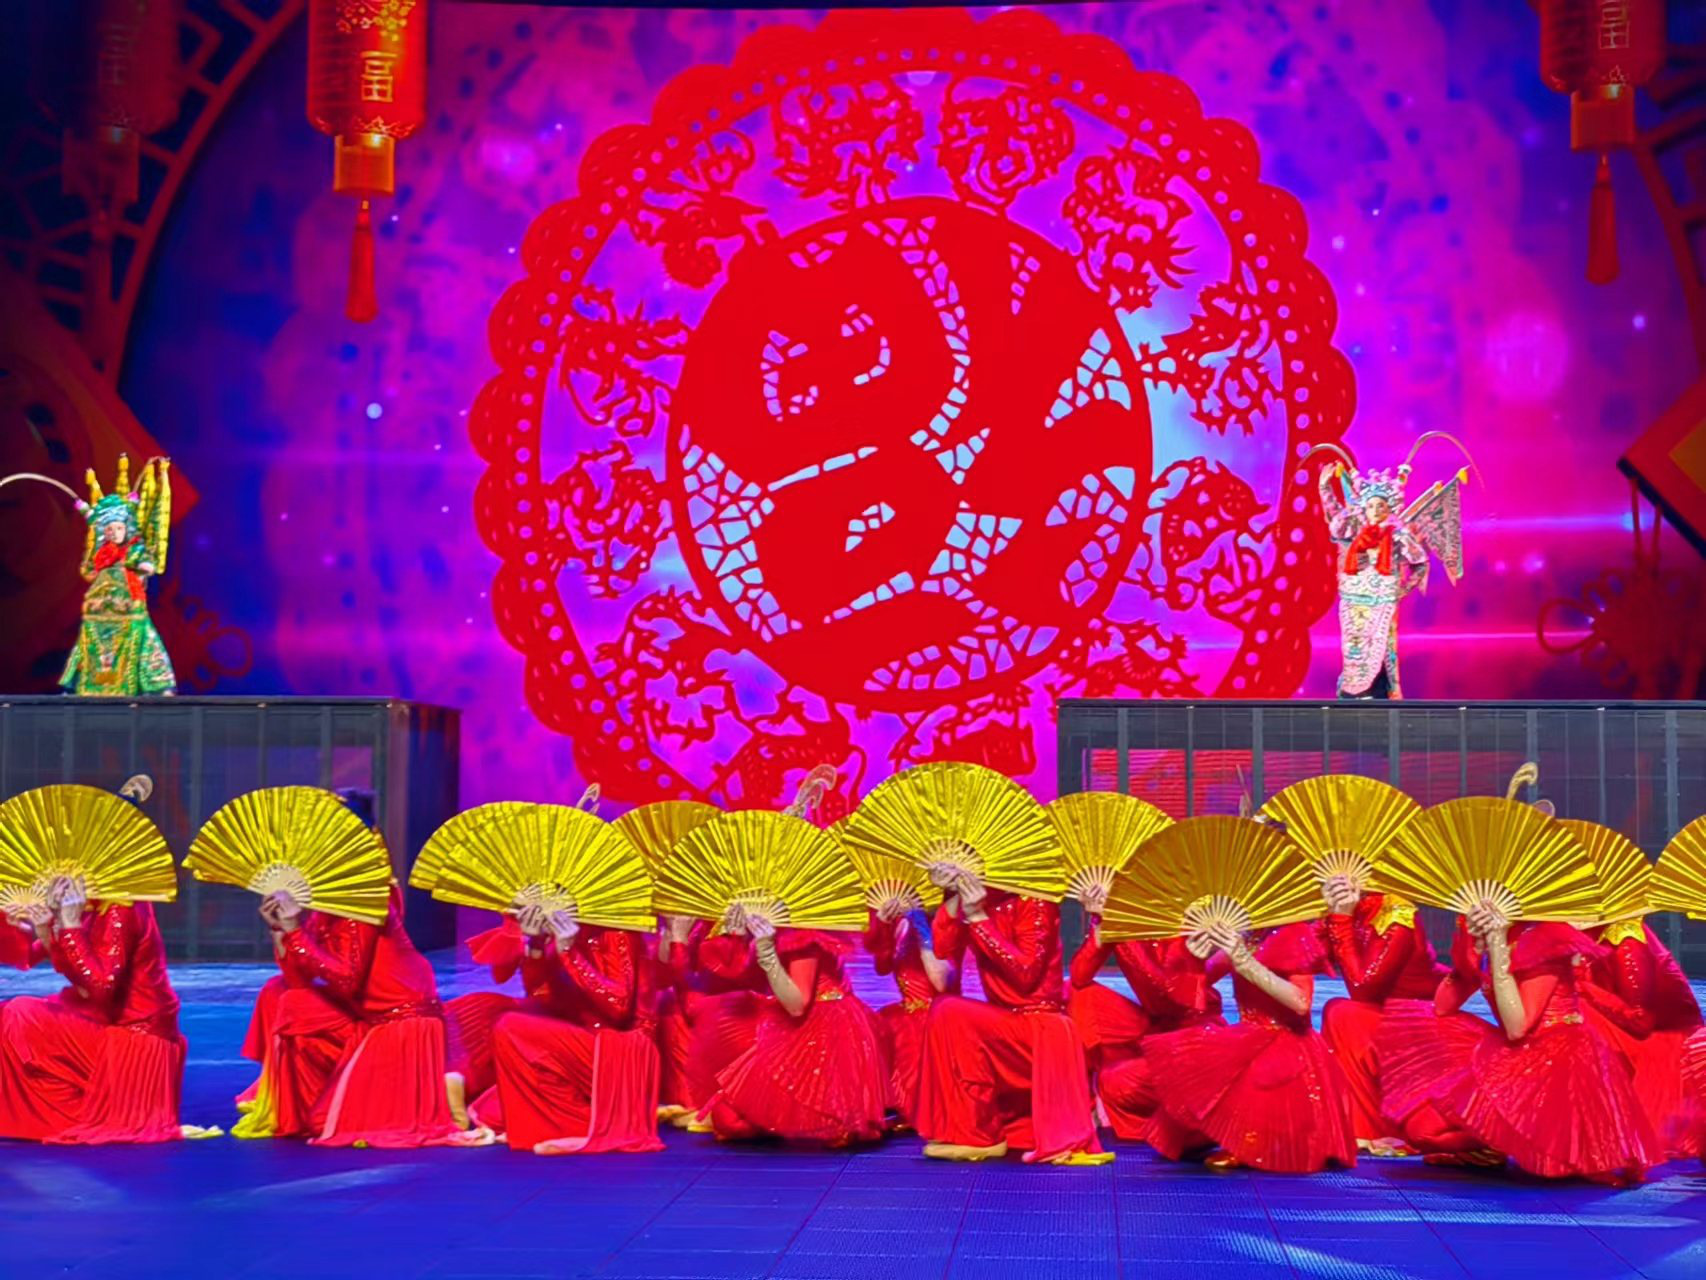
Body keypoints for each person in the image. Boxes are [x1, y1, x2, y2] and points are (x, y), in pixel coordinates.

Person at [1380, 906, 1662, 1184]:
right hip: (1512, 1055)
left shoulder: (1546, 938)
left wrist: (1498, 949)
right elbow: (1442, 1007)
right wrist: (1474, 952)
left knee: (1546, 1165)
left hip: (1557, 1065)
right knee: (1421, 1132)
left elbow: (1517, 1027)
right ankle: (1492, 1144)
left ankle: (1501, 1141)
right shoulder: (1493, 934)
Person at [233, 881, 467, 1148]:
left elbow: (347, 979)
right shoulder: (323, 912)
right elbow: (298, 980)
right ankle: (301, 1096)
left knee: (325, 1124)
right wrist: (280, 929)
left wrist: (295, 932)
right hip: (364, 1017)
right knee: (280, 993)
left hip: (400, 1020)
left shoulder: (364, 904)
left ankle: (439, 1086)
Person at [913, 868, 1110, 1165]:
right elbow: (942, 948)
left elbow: (1025, 974)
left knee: (950, 1012)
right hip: (1007, 1023)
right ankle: (973, 1131)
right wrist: (955, 897)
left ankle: (978, 1137)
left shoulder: (1035, 900)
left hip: (1042, 1028)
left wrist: (978, 917)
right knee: (947, 1011)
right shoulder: (981, 895)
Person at [0, 875, 204, 1143]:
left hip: (136, 1037)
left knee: (21, 1013)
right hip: (106, 1020)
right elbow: (50, 966)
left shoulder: (123, 908)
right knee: (10, 1014)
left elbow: (100, 987)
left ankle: (79, 1114)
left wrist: (69, 926)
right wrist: (38, 926)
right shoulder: (92, 904)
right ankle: (48, 1114)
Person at [1143, 920, 1355, 1172]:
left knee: (1258, 1077)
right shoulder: (1249, 935)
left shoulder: (1294, 934)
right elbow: (1197, 984)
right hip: (1247, 1035)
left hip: (1286, 1042)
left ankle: (1249, 1144)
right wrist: (1193, 956)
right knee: (1184, 1114)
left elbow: (1301, 1003)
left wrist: (1246, 963)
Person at [484, 904, 663, 1154]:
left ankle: (590, 1126)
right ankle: (578, 1123)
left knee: (510, 1027)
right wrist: (536, 944)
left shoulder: (616, 932)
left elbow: (619, 1008)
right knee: (493, 1106)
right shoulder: (563, 931)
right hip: (585, 1041)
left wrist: (570, 954)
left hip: (621, 1049)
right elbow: (538, 994)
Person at [703, 905, 888, 1145]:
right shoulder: (779, 928)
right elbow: (746, 978)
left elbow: (797, 1005)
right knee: (727, 1116)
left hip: (826, 1031)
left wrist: (767, 953)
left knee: (732, 1118)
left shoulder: (803, 935)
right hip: (798, 1020)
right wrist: (740, 939)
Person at [1066, 883, 1223, 1141]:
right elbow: (1079, 975)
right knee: (1080, 995)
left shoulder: (1184, 918)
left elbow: (1166, 992)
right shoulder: (1127, 915)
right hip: (1155, 1026)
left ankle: (1177, 1122)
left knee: (1118, 1083)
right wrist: (1104, 926)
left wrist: (1120, 924)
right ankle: (1086, 1105)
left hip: (1193, 1036)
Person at [1316, 875, 1445, 1154]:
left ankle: (1369, 1128)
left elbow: (1362, 987)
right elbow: (1312, 959)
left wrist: (1340, 919)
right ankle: (1357, 1126)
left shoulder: (1397, 915)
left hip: (1414, 1024)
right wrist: (1324, 916)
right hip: (1380, 1018)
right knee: (1339, 1015)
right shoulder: (1358, 906)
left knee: (1343, 1014)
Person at [1579, 917, 1703, 1159]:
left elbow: (1640, 1020)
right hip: (1632, 1029)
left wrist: (1583, 987)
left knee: (1577, 1011)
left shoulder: (1627, 942)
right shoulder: (1591, 934)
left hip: (1663, 1047)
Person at [865, 899, 958, 1129]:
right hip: (904, 1012)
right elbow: (882, 967)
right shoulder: (901, 921)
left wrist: (920, 923)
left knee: (911, 1044)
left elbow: (941, 982)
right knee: (871, 1031)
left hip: (936, 1014)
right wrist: (884, 925)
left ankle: (920, 1109)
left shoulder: (948, 923)